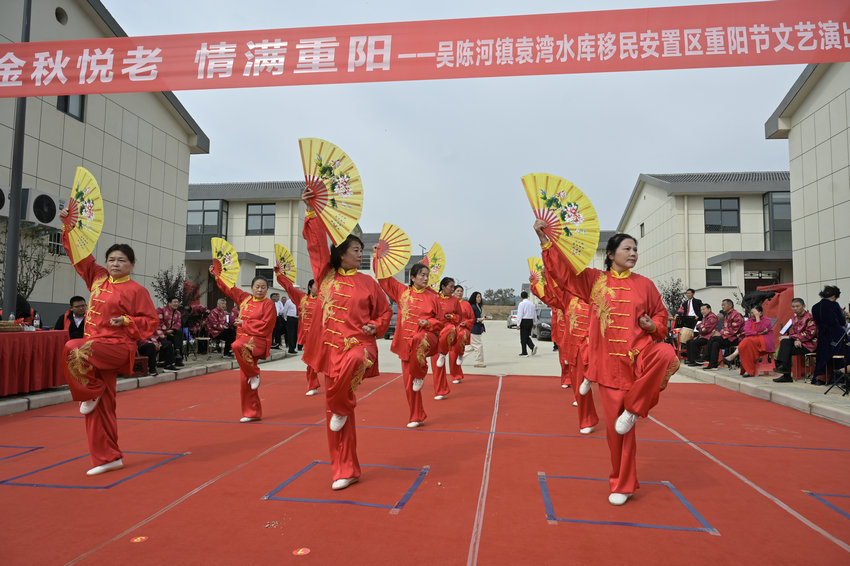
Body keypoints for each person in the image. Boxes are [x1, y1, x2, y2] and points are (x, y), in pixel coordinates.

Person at [536, 222, 679, 506]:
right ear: (611, 254)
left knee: (667, 355)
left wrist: (653, 326)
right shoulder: (593, 280)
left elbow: (661, 318)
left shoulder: (645, 285)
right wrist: (545, 242)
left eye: (636, 249)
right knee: (617, 435)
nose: (633, 253)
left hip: (639, 358)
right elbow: (563, 275)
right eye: (627, 248)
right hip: (609, 369)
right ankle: (622, 484)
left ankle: (635, 408)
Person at [302, 187, 392, 491]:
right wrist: (312, 211)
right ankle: (345, 469)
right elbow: (315, 247)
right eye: (356, 250)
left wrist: (375, 327)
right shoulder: (326, 277)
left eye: (361, 250)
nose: (360, 254)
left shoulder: (369, 282)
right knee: (335, 412)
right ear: (341, 253)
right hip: (329, 350)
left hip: (358, 348)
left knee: (342, 394)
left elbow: (384, 313)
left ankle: (342, 405)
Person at [58, 207, 158, 476]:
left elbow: (150, 323)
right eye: (112, 259)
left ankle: (89, 389)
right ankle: (107, 457)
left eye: (122, 260)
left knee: (72, 348)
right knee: (101, 408)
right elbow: (79, 255)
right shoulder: (98, 277)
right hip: (95, 350)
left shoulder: (137, 290)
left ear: (132, 265)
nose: (115, 264)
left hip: (116, 348)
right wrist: (69, 225)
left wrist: (126, 322)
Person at [374, 261, 442, 428]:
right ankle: (416, 416)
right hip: (406, 344)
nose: (426, 278)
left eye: (427, 276)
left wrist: (429, 323)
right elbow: (384, 280)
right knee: (408, 384)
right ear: (412, 277)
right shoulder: (402, 292)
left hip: (426, 340)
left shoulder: (433, 297)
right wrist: (377, 257)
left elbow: (440, 322)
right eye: (422, 275)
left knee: (419, 339)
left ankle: (420, 372)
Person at [209, 268, 277, 422]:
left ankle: (254, 373)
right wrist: (217, 276)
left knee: (236, 345)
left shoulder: (268, 305)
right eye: (257, 287)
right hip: (243, 342)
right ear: (252, 288)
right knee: (244, 380)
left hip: (258, 340)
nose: (260, 290)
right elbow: (229, 288)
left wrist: (245, 324)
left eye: (263, 287)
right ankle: (252, 412)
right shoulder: (245, 298)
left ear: (267, 289)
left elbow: (266, 325)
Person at [275, 272, 321, 395]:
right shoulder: (302, 298)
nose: (319, 287)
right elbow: (289, 287)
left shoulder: (325, 300)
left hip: (323, 336)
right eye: (316, 285)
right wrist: (279, 275)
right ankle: (312, 386)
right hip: (308, 336)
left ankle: (337, 384)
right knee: (310, 361)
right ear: (310, 287)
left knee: (329, 361)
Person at [773, 298, 818, 383]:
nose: (795, 308)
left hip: (809, 345)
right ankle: (784, 370)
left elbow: (810, 334)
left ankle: (784, 371)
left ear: (803, 306)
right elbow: (794, 332)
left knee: (786, 344)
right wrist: (796, 339)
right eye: (793, 307)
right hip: (798, 343)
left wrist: (792, 338)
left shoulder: (810, 318)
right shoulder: (794, 319)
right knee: (785, 343)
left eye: (797, 306)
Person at [724, 305, 774, 377]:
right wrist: (758, 333)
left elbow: (760, 328)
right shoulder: (749, 321)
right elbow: (747, 332)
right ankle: (749, 370)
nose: (752, 314)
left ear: (760, 313)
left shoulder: (766, 320)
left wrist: (757, 318)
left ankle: (734, 356)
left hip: (764, 341)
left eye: (755, 313)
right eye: (751, 313)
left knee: (747, 341)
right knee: (747, 344)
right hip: (752, 341)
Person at [811, 286, 846, 385]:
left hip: (822, 335)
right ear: (834, 296)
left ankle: (820, 378)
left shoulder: (815, 307)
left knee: (822, 356)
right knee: (842, 354)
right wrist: (842, 314)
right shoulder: (834, 305)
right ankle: (838, 378)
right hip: (836, 335)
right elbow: (842, 321)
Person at [431, 277, 459, 400]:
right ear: (443, 287)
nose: (453, 289)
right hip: (435, 331)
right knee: (436, 364)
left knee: (450, 330)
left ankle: (443, 352)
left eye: (454, 287)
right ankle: (440, 390)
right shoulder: (434, 297)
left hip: (447, 331)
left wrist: (451, 316)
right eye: (451, 287)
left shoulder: (455, 300)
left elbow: (459, 317)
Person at [702, 299, 745, 370]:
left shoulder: (736, 315)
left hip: (736, 338)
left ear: (730, 306)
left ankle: (705, 357)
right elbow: (724, 328)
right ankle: (713, 365)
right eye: (722, 305)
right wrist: (720, 333)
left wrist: (720, 334)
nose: (722, 307)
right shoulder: (727, 315)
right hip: (728, 338)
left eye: (724, 305)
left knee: (713, 338)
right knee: (715, 343)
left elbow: (734, 330)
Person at [449, 285, 475, 384]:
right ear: (453, 292)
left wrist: (466, 323)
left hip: (463, 330)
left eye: (461, 291)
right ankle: (456, 375)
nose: (459, 293)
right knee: (452, 354)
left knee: (460, 341)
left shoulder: (466, 304)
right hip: (452, 331)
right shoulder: (450, 304)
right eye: (458, 291)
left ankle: (461, 353)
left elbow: (471, 318)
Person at [156, 297, 184, 367]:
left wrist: (172, 330)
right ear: (169, 303)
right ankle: (177, 358)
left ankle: (177, 353)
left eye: (177, 302)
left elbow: (178, 323)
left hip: (171, 332)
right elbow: (158, 322)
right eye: (174, 302)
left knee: (179, 333)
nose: (176, 303)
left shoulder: (178, 313)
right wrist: (166, 331)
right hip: (160, 331)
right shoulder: (161, 310)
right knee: (175, 337)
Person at [516, 290, 538, 356]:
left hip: (524, 321)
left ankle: (525, 352)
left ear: (521, 297)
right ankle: (532, 347)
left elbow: (520, 314)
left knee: (523, 337)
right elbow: (535, 314)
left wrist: (518, 324)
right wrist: (534, 323)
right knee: (526, 336)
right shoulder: (532, 304)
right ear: (527, 296)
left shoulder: (521, 304)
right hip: (530, 321)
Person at [468, 291, 487, 368]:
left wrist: (483, 318)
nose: (479, 298)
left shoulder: (477, 306)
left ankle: (459, 356)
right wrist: (478, 319)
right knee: (479, 346)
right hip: (474, 328)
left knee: (472, 347)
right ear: (474, 298)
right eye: (478, 297)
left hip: (477, 328)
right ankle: (478, 362)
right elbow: (471, 318)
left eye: (480, 296)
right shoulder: (472, 307)